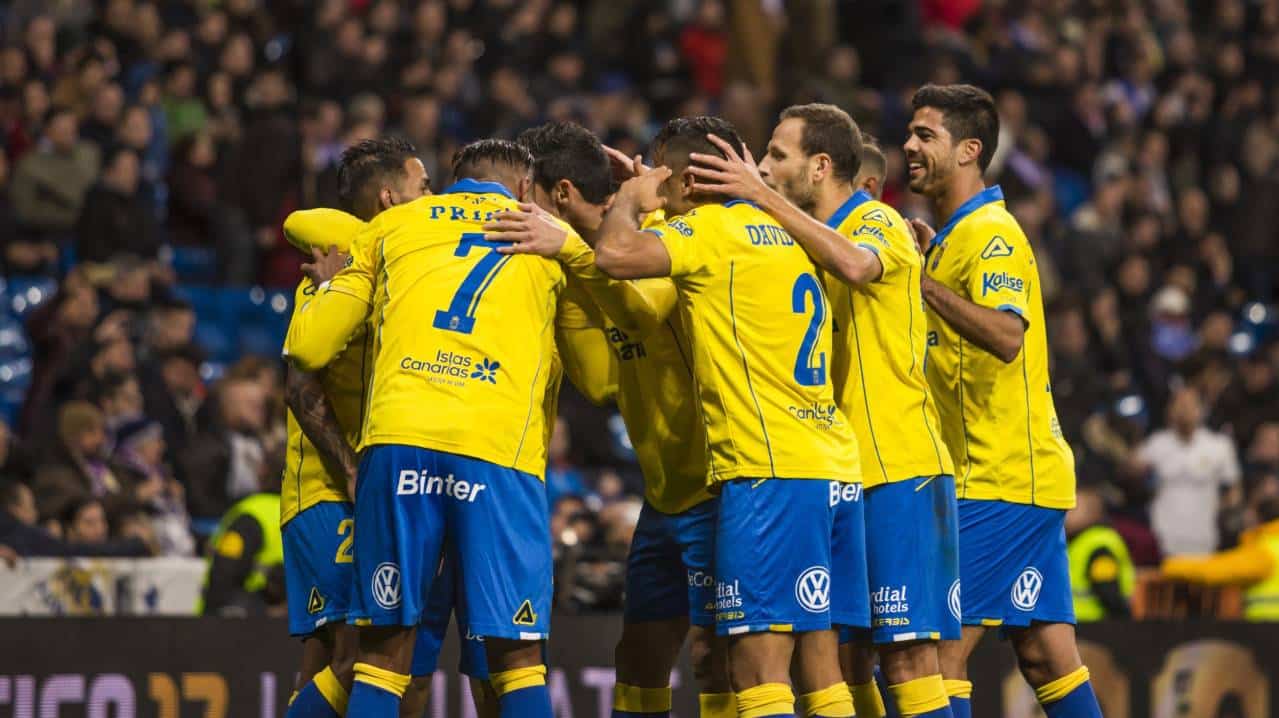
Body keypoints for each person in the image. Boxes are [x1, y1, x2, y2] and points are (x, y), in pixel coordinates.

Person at [687, 103, 957, 718]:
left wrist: (760, 197)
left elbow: (859, 266)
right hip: (838, 472)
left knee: (910, 658)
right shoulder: (796, 241)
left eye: (776, 157)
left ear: (821, 167)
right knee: (844, 657)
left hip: (900, 467)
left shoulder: (877, 220)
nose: (762, 167)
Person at [286, 139, 570, 718]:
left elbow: (306, 345)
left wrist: (331, 284)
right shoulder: (546, 237)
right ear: (523, 189)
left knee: (380, 659)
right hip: (494, 450)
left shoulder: (386, 233)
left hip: (395, 448)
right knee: (515, 659)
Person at [593, 116, 862, 718]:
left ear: (686, 179)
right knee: (821, 667)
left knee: (755, 669)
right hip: (832, 466)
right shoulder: (789, 228)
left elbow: (613, 255)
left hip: (769, 470)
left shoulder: (710, 231)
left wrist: (633, 202)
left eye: (662, 173)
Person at [487, 120, 733, 717]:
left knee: (715, 660)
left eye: (529, 192)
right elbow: (599, 380)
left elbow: (646, 314)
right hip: (665, 495)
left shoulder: (665, 237)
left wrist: (575, 250)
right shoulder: (587, 264)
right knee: (640, 656)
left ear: (561, 194)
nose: (520, 206)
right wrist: (571, 278)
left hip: (718, 488)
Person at [903, 84, 1100, 718]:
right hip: (1013, 476)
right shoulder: (955, 235)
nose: (908, 145)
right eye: (909, 132)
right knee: (1046, 656)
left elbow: (1007, 335)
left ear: (969, 151)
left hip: (1001, 479)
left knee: (935, 658)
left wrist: (922, 282)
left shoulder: (994, 234)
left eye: (925, 135)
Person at [279, 137, 428, 718]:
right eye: (422, 187)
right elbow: (299, 386)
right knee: (358, 654)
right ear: (390, 198)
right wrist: (349, 468)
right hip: (326, 486)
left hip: (363, 484)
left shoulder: (398, 272)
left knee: (333, 662)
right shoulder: (338, 267)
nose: (432, 198)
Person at [1137, 387, 1242, 557]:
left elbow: (1234, 489)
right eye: (1179, 404)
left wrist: (1222, 510)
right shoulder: (1155, 444)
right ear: (1169, 410)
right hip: (1163, 537)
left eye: (1189, 405)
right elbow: (1133, 474)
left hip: (1204, 536)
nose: (1184, 410)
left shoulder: (1219, 446)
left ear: (1201, 410)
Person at [1162, 497, 1279, 621]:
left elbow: (1211, 572)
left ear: (1258, 517)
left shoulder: (1265, 551)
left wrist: (1169, 565)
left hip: (1269, 630)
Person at [197, 473, 283, 616]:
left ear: (263, 472)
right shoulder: (310, 516)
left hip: (238, 624)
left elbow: (222, 576)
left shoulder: (254, 513)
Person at [1065, 484, 1133, 622]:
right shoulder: (1077, 540)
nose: (1066, 515)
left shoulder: (1099, 545)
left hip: (1096, 625)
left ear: (1093, 512)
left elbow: (1107, 589)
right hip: (1075, 623)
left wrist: (1125, 622)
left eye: (1073, 510)